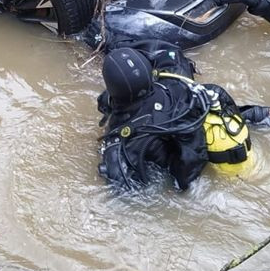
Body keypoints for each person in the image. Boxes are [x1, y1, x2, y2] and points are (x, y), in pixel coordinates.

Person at [98, 44, 253, 190]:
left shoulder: (127, 139)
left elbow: (124, 191)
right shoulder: (179, 86)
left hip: (183, 179)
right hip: (231, 163)